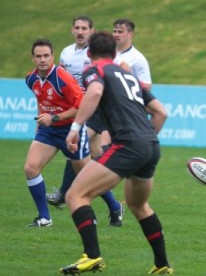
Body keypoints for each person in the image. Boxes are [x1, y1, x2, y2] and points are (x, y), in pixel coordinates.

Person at [59, 31, 170, 274]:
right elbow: (161, 112)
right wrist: (146, 140)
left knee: (75, 196)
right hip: (150, 145)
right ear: (114, 53)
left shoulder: (95, 70)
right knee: (138, 204)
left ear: (89, 54)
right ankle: (162, 265)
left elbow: (95, 92)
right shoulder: (130, 76)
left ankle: (92, 256)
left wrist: (75, 128)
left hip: (128, 144)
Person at [47, 15, 124, 227]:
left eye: (84, 28)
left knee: (75, 147)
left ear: (91, 30)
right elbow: (62, 82)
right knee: (90, 160)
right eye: (77, 28)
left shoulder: (100, 54)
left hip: (97, 108)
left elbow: (115, 74)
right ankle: (115, 207)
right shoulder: (66, 52)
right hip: (77, 109)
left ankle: (63, 192)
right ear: (72, 30)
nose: (80, 31)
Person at [24, 39, 90, 227]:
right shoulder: (31, 79)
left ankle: (114, 206)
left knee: (88, 173)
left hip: (71, 130)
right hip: (48, 130)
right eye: (39, 56)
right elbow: (41, 98)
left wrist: (53, 118)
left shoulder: (63, 78)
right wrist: (41, 120)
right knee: (30, 168)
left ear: (53, 57)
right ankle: (45, 218)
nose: (43, 59)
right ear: (33, 58)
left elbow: (81, 107)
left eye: (46, 56)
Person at [112, 18, 152, 91]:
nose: (116, 35)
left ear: (130, 34)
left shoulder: (138, 59)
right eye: (114, 31)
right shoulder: (106, 52)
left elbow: (147, 87)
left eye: (120, 32)